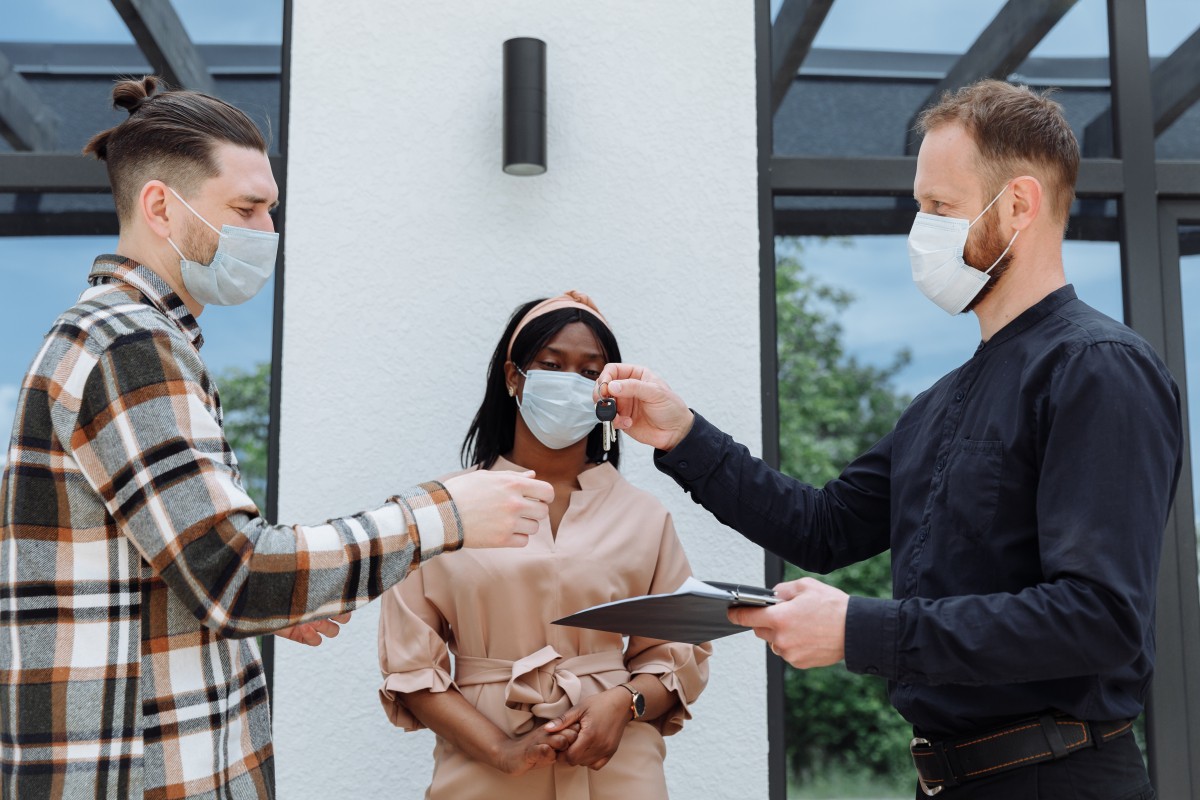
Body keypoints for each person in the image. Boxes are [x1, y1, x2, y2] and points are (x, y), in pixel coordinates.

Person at [595, 81, 1182, 799]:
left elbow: (1099, 618)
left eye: (940, 207)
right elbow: (823, 526)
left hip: (1058, 780)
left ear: (1020, 205)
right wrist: (682, 434)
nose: (920, 230)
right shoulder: (941, 403)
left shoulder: (1096, 369)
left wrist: (858, 631)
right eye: (919, 207)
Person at [0, 76, 553, 800]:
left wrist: (270, 600)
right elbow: (234, 572)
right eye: (247, 209)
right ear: (161, 206)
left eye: (272, 211)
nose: (267, 233)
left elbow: (190, 565)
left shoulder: (128, 337)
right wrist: (442, 516)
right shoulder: (128, 346)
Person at [377, 292, 710, 799]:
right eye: (551, 365)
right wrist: (502, 751)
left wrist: (624, 704)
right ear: (514, 376)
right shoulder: (439, 511)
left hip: (619, 770)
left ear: (608, 390)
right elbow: (411, 667)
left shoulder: (645, 515)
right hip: (484, 772)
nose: (569, 382)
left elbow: (678, 652)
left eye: (588, 371)